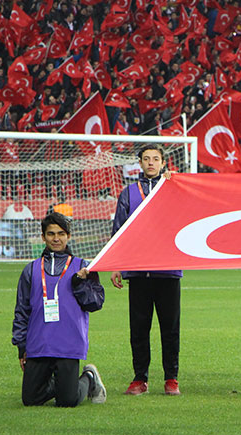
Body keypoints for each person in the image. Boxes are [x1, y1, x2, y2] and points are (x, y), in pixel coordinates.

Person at [11, 212, 106, 407]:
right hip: (39, 344)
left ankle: (88, 376)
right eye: (51, 234)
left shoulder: (83, 266)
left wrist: (79, 283)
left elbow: (96, 303)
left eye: (61, 233)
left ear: (69, 236)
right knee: (30, 399)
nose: (56, 238)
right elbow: (22, 310)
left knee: (67, 401)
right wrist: (22, 346)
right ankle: (64, 383)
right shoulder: (31, 269)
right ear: (43, 237)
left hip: (68, 344)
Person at [111, 144, 182, 396]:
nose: (150, 163)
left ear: (164, 163)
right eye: (146, 159)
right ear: (139, 163)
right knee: (139, 327)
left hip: (168, 271)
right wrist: (116, 264)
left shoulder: (174, 190)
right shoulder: (129, 193)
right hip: (138, 272)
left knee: (170, 328)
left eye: (155, 159)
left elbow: (186, 221)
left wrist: (176, 184)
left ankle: (171, 378)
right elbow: (119, 231)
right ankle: (140, 378)